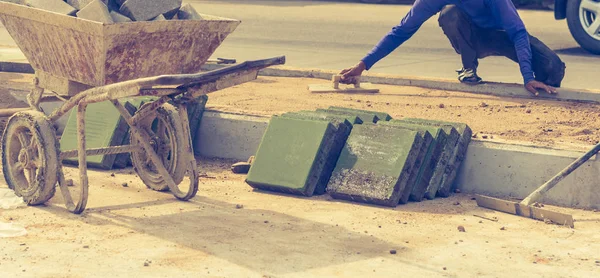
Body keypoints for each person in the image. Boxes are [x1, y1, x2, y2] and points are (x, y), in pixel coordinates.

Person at [340, 0, 566, 96]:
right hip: (473, 38)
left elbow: (517, 31)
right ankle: (469, 68)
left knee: (553, 68)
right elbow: (402, 30)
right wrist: (363, 64)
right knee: (449, 14)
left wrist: (527, 77)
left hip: (504, 35)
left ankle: (541, 89)